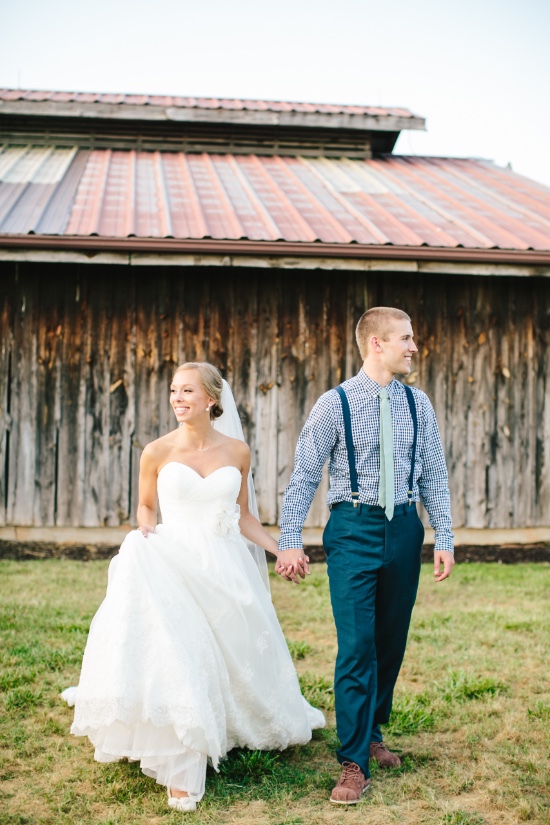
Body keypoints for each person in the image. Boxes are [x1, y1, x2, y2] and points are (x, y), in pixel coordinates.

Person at [62, 362, 324, 813]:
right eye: (173, 391)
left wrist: (279, 550)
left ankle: (229, 722)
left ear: (210, 400)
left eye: (187, 391)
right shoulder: (156, 451)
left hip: (223, 564)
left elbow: (242, 516)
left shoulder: (237, 452)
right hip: (172, 559)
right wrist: (145, 533)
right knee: (180, 651)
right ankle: (180, 751)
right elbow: (146, 507)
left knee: (233, 651)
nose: (177, 398)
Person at [275, 307, 454, 805]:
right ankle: (353, 761)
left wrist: (444, 536)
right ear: (377, 343)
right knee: (357, 646)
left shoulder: (420, 405)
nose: (414, 347)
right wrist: (290, 538)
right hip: (352, 528)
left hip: (404, 529)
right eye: (406, 338)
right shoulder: (334, 404)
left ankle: (373, 732)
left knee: (390, 641)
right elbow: (306, 474)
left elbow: (434, 474)